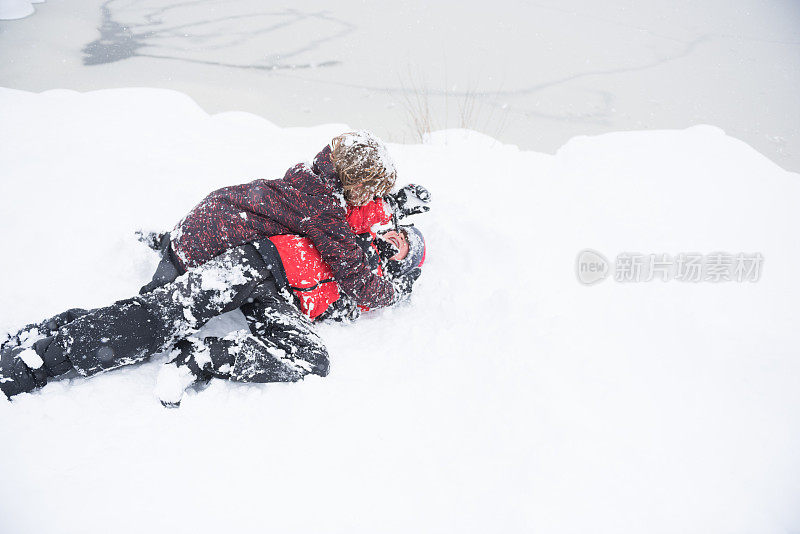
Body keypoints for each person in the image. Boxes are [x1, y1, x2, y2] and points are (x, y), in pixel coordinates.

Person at [0, 131, 428, 403]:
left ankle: (45, 337)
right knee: (153, 322)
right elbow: (361, 280)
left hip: (217, 237)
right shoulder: (327, 216)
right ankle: (33, 364)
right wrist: (395, 285)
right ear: (355, 186)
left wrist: (398, 214)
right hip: (219, 256)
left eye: (402, 246)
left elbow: (360, 216)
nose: (394, 243)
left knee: (153, 315)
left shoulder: (313, 179)